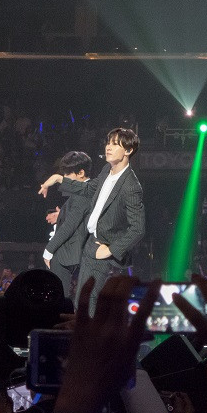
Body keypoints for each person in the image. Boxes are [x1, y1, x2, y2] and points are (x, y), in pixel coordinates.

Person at [38, 128, 145, 311]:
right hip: (90, 244)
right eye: (108, 143)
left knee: (88, 300)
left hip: (103, 247)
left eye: (115, 144)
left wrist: (110, 250)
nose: (108, 147)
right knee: (83, 300)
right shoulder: (106, 170)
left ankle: (93, 330)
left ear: (128, 150)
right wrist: (58, 179)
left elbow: (138, 229)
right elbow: (88, 189)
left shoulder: (131, 186)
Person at [42, 151, 92, 301]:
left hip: (67, 251)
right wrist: (61, 215)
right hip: (70, 249)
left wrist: (49, 250)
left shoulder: (84, 193)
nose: (65, 179)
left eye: (68, 175)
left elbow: (70, 225)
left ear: (81, 173)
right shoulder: (83, 191)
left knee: (58, 296)